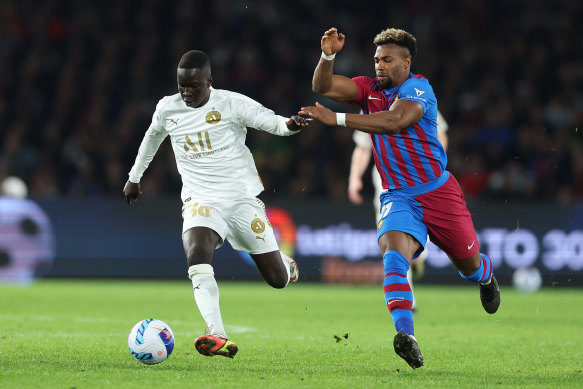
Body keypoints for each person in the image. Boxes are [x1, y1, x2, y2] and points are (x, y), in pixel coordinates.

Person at [301, 27, 500, 369]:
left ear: (406, 62)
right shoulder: (368, 89)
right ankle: (406, 335)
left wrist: (334, 119)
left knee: (468, 264)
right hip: (398, 196)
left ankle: (484, 274)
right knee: (393, 257)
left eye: (388, 60)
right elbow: (323, 87)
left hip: (438, 193)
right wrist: (327, 56)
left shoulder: (418, 88)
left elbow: (395, 121)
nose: (379, 66)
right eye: (376, 59)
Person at [124, 50, 309, 359]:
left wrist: (292, 124)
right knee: (196, 254)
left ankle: (285, 264)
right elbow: (152, 137)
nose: (186, 93)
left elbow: (272, 122)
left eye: (193, 86)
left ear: (209, 81)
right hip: (200, 200)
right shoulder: (167, 109)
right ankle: (216, 333)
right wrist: (134, 177)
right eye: (181, 85)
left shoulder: (231, 103)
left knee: (277, 280)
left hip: (240, 201)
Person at [349, 112, 449, 311]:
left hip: (420, 176)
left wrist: (435, 165)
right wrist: (355, 179)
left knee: (415, 244)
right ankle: (407, 300)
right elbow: (363, 146)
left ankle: (420, 255)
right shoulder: (370, 103)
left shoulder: (417, 94)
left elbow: (440, 135)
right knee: (392, 236)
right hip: (387, 181)